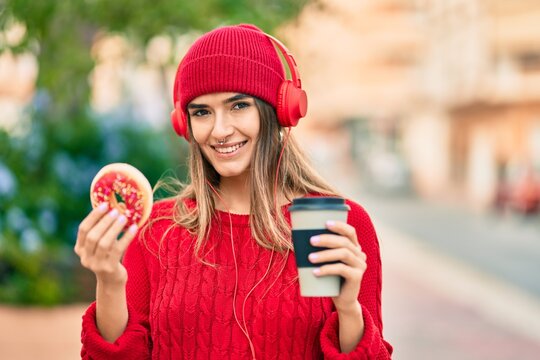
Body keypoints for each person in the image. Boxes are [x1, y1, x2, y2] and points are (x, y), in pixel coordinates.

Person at [75, 24, 393, 359]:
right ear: (185, 124)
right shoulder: (157, 229)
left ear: (277, 110)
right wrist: (109, 280)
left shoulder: (336, 225)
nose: (221, 130)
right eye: (202, 112)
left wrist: (348, 308)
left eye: (238, 106)